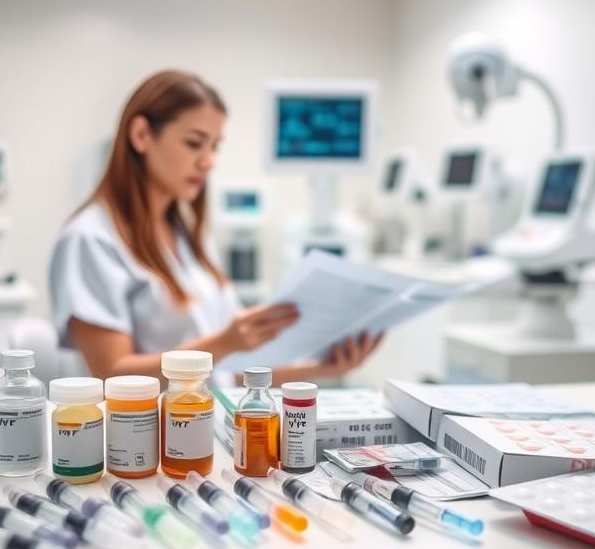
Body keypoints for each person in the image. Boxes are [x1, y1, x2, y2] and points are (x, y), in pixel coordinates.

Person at [50, 70, 382, 385]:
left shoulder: (188, 237)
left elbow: (228, 373)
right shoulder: (90, 239)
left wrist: (319, 368)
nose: (208, 162)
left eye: (214, 146)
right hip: (150, 434)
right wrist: (224, 343)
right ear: (141, 135)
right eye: (194, 143)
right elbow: (112, 375)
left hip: (210, 422)